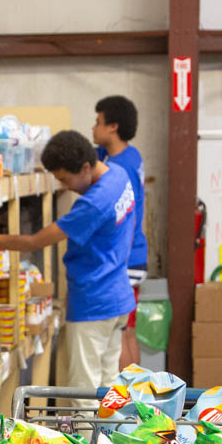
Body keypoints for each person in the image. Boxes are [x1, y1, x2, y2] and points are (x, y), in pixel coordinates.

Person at [0, 129, 135, 389]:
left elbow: (34, 242)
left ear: (86, 167)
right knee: (108, 385)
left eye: (65, 179)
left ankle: (88, 433)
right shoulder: (119, 176)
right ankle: (109, 430)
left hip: (93, 304)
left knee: (84, 391)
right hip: (118, 298)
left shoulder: (92, 204)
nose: (64, 186)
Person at [92, 95, 148, 368]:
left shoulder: (120, 168)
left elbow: (127, 217)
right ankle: (134, 394)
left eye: (98, 122)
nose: (93, 128)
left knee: (121, 331)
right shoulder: (127, 155)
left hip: (125, 259)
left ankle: (127, 399)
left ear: (112, 127)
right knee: (129, 329)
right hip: (134, 258)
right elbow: (93, 156)